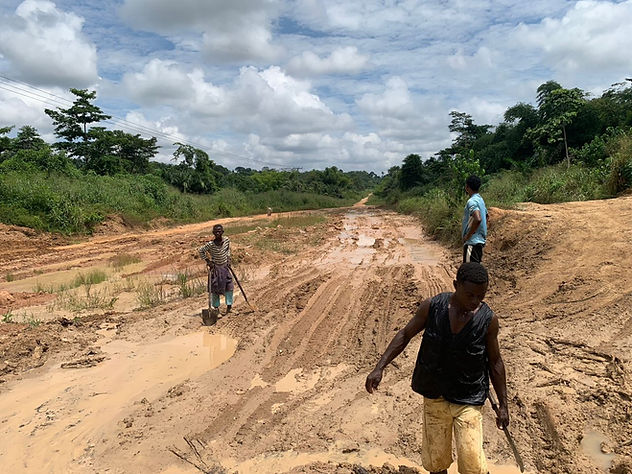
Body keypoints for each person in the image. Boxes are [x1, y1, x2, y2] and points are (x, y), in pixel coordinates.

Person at [365, 262, 508, 474]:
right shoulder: (433, 307)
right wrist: (380, 367)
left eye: (481, 296)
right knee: (436, 460)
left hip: (469, 396)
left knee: (473, 463)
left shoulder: (488, 320)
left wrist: (503, 405)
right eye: (470, 295)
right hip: (435, 394)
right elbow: (405, 334)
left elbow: (495, 362)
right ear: (456, 285)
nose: (475, 301)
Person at [198, 224, 234, 314]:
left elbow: (228, 249)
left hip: (225, 268)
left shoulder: (226, 240)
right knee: (215, 289)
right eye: (216, 232)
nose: (218, 233)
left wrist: (228, 258)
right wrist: (208, 261)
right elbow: (201, 251)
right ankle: (216, 309)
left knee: (229, 287)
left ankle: (229, 308)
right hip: (215, 269)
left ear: (222, 232)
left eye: (219, 231)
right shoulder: (210, 244)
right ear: (213, 233)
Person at [462, 175, 488, 263]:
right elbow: (486, 216)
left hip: (472, 243)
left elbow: (477, 219)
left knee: (469, 270)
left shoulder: (471, 201)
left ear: (467, 187)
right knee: (475, 268)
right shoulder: (480, 200)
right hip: (479, 242)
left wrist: (468, 236)